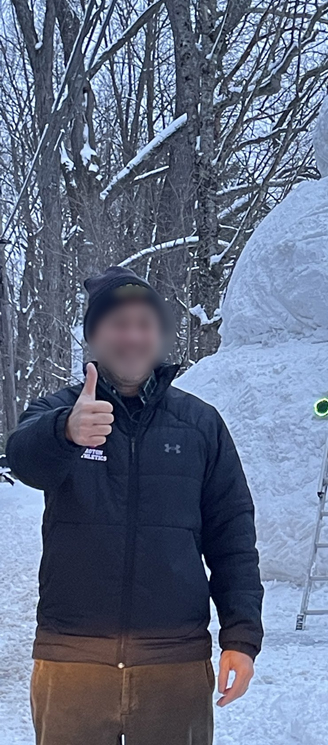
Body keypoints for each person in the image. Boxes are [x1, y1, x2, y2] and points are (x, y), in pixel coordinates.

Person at [6, 266, 263, 745]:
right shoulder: (57, 412)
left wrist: (241, 637)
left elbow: (233, 538)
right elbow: (23, 459)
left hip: (175, 665)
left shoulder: (200, 425)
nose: (132, 336)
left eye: (144, 324)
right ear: (94, 336)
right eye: (117, 324)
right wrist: (65, 430)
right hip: (71, 660)